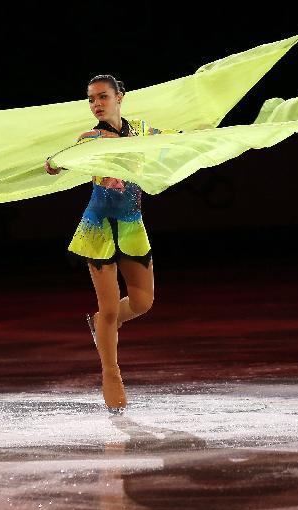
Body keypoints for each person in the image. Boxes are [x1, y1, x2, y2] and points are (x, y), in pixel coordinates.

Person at [45, 74, 179, 413]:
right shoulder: (90, 138)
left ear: (120, 97)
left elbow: (174, 143)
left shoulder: (142, 131)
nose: (96, 104)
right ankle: (111, 374)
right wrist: (53, 164)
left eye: (102, 97)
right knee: (107, 309)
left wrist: (203, 136)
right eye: (91, 99)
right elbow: (61, 161)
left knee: (143, 302)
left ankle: (100, 324)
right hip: (98, 227)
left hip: (132, 225)